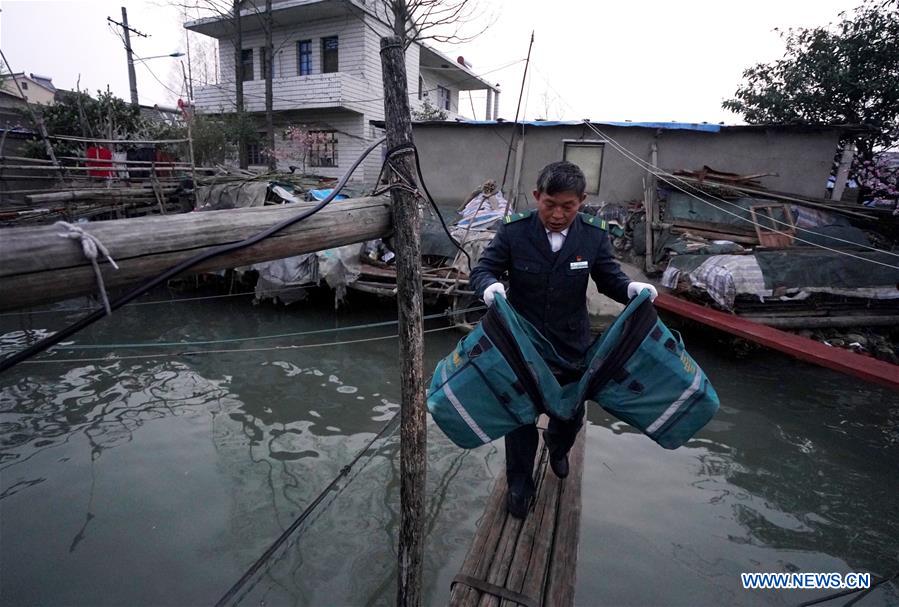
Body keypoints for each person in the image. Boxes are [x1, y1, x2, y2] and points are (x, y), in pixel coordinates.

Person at [468, 160, 657, 518]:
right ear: (537, 196)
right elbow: (483, 269)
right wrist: (489, 287)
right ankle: (519, 484)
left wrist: (631, 288)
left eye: (567, 206)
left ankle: (557, 446)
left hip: (572, 344)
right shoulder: (514, 231)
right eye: (550, 204)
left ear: (581, 201)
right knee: (520, 415)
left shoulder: (593, 235)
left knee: (569, 414)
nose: (557, 215)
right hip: (521, 341)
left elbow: (609, 279)